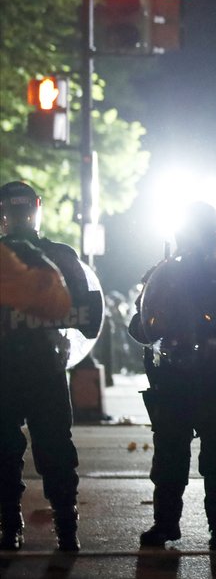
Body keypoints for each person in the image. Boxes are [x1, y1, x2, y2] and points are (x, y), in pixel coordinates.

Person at [128, 201, 216, 551]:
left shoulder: (178, 273)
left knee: (190, 456)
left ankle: (190, 526)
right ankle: (203, 529)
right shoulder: (180, 273)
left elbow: (140, 330)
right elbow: (143, 328)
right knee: (197, 456)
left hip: (196, 375)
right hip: (196, 376)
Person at [0, 181, 89, 552]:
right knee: (48, 452)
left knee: (31, 452)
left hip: (24, 371)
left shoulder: (56, 256)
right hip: (42, 369)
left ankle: (21, 527)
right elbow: (88, 313)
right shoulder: (61, 256)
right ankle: (62, 530)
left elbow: (87, 314)